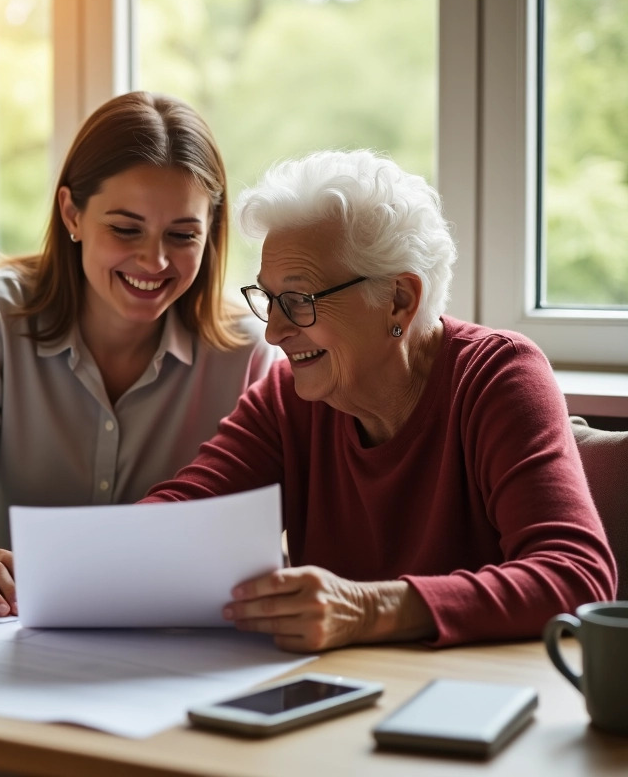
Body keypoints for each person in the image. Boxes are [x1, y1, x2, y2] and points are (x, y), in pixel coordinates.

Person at [138, 149, 617, 650]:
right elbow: (178, 517)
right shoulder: (288, 398)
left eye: (299, 301)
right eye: (269, 299)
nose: (275, 331)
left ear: (399, 300)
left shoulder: (498, 377)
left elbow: (575, 576)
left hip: (475, 697)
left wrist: (370, 608)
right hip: (340, 693)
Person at [0, 91, 277, 616]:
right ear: (71, 212)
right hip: (9, 627)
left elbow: (253, 537)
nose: (155, 260)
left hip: (174, 636)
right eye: (125, 229)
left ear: (210, 231)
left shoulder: (247, 353)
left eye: (183, 234)